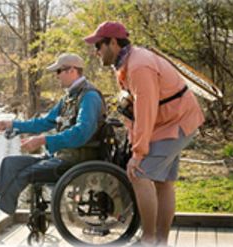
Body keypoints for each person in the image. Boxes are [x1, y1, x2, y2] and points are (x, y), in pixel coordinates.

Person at [84, 22, 204, 246]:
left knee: (139, 174)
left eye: (98, 45)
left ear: (113, 42)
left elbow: (145, 111)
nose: (96, 51)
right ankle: (160, 241)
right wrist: (134, 138)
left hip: (177, 121)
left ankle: (149, 240)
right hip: (167, 121)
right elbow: (133, 109)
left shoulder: (139, 66)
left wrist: (138, 153)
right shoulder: (124, 64)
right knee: (163, 182)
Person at [0, 53, 106, 215]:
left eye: (58, 71)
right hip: (61, 156)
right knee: (10, 163)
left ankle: (5, 212)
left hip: (77, 161)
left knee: (25, 174)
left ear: (72, 70)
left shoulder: (89, 97)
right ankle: (3, 204)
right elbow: (43, 123)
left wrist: (43, 140)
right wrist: (11, 124)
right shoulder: (68, 98)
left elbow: (81, 133)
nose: (56, 76)